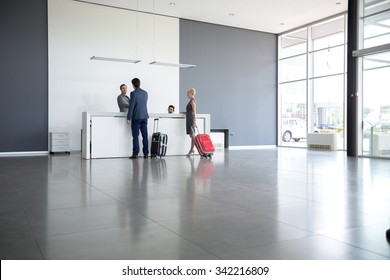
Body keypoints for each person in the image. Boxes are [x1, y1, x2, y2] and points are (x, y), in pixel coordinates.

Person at [127, 78, 149, 159]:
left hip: (136, 117)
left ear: (133, 84)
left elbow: (131, 107)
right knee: (145, 136)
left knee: (135, 136)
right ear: (139, 83)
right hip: (145, 117)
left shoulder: (133, 93)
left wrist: (129, 118)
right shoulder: (145, 93)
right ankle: (146, 154)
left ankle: (135, 154)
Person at [185, 88, 197, 156]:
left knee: (192, 135)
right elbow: (189, 111)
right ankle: (192, 149)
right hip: (188, 118)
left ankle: (192, 149)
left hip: (191, 119)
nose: (187, 94)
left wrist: (194, 121)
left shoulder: (192, 101)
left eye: (188, 93)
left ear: (191, 93)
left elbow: (194, 112)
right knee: (191, 135)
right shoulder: (190, 101)